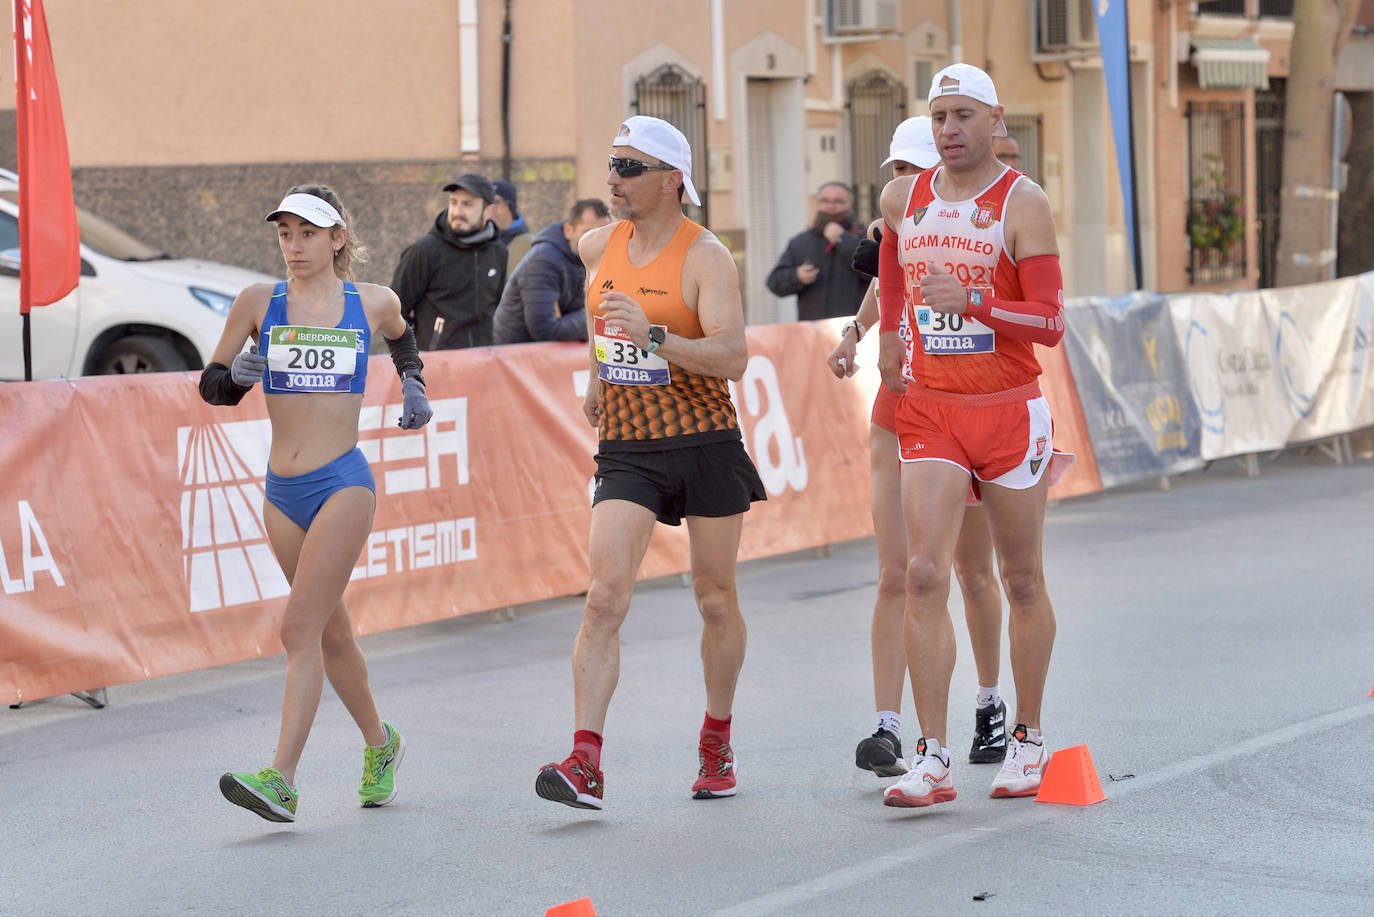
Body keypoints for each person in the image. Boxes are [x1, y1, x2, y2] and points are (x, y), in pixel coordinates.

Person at [535, 115, 765, 810]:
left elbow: (733, 356)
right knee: (604, 597)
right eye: (611, 164)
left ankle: (716, 739)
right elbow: (605, 324)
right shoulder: (596, 244)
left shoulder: (707, 258)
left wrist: (658, 336)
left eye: (630, 168)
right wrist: (600, 378)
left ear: (672, 180)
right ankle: (585, 760)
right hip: (630, 446)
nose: (613, 179)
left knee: (715, 597)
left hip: (703, 438)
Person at [198, 184, 434, 822]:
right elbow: (211, 386)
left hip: (342, 485)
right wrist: (235, 380)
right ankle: (382, 746)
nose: (293, 247)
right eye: (284, 234)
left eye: (307, 234)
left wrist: (413, 384)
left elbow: (403, 339)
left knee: (297, 629)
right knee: (331, 635)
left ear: (337, 239)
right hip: (281, 493)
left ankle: (282, 779)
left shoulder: (373, 301)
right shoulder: (258, 302)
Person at [873, 64, 1073, 807]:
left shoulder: (1024, 204)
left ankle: (1026, 734)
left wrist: (978, 302)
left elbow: (1051, 323)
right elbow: (894, 258)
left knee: (1020, 578)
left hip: (1009, 409)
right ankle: (932, 755)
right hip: (931, 409)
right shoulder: (903, 197)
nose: (949, 129)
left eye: (963, 115)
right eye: (938, 116)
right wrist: (892, 335)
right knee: (924, 572)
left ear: (995, 121)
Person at [828, 115, 1008, 780]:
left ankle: (990, 701)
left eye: (913, 170)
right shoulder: (898, 226)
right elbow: (885, 287)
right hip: (901, 407)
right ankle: (887, 727)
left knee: (973, 572)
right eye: (896, 172)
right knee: (900, 572)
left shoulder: (985, 222)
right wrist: (853, 333)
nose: (902, 185)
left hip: (973, 406)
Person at [391, 172, 507, 350]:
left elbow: (497, 307)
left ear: (488, 211)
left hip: (483, 363)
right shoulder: (423, 252)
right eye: (453, 202)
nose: (457, 211)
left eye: (467, 204)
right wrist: (416, 353)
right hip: (435, 366)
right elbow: (394, 312)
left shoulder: (498, 252)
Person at [492, 198, 611, 344]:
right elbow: (546, 330)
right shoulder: (544, 261)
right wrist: (592, 316)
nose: (597, 242)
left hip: (542, 357)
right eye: (589, 233)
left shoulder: (587, 260)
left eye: (603, 235)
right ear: (568, 230)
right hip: (515, 358)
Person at [766, 181, 870, 320]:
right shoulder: (801, 241)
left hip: (856, 330)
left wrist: (842, 240)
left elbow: (878, 274)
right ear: (818, 204)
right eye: (825, 200)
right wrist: (797, 276)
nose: (831, 206)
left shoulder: (865, 237)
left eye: (838, 201)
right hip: (812, 334)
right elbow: (774, 282)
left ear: (850, 204)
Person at [489, 179, 533, 273]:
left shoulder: (528, 244)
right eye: (489, 202)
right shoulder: (480, 240)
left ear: (510, 206)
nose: (491, 209)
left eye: (497, 202)